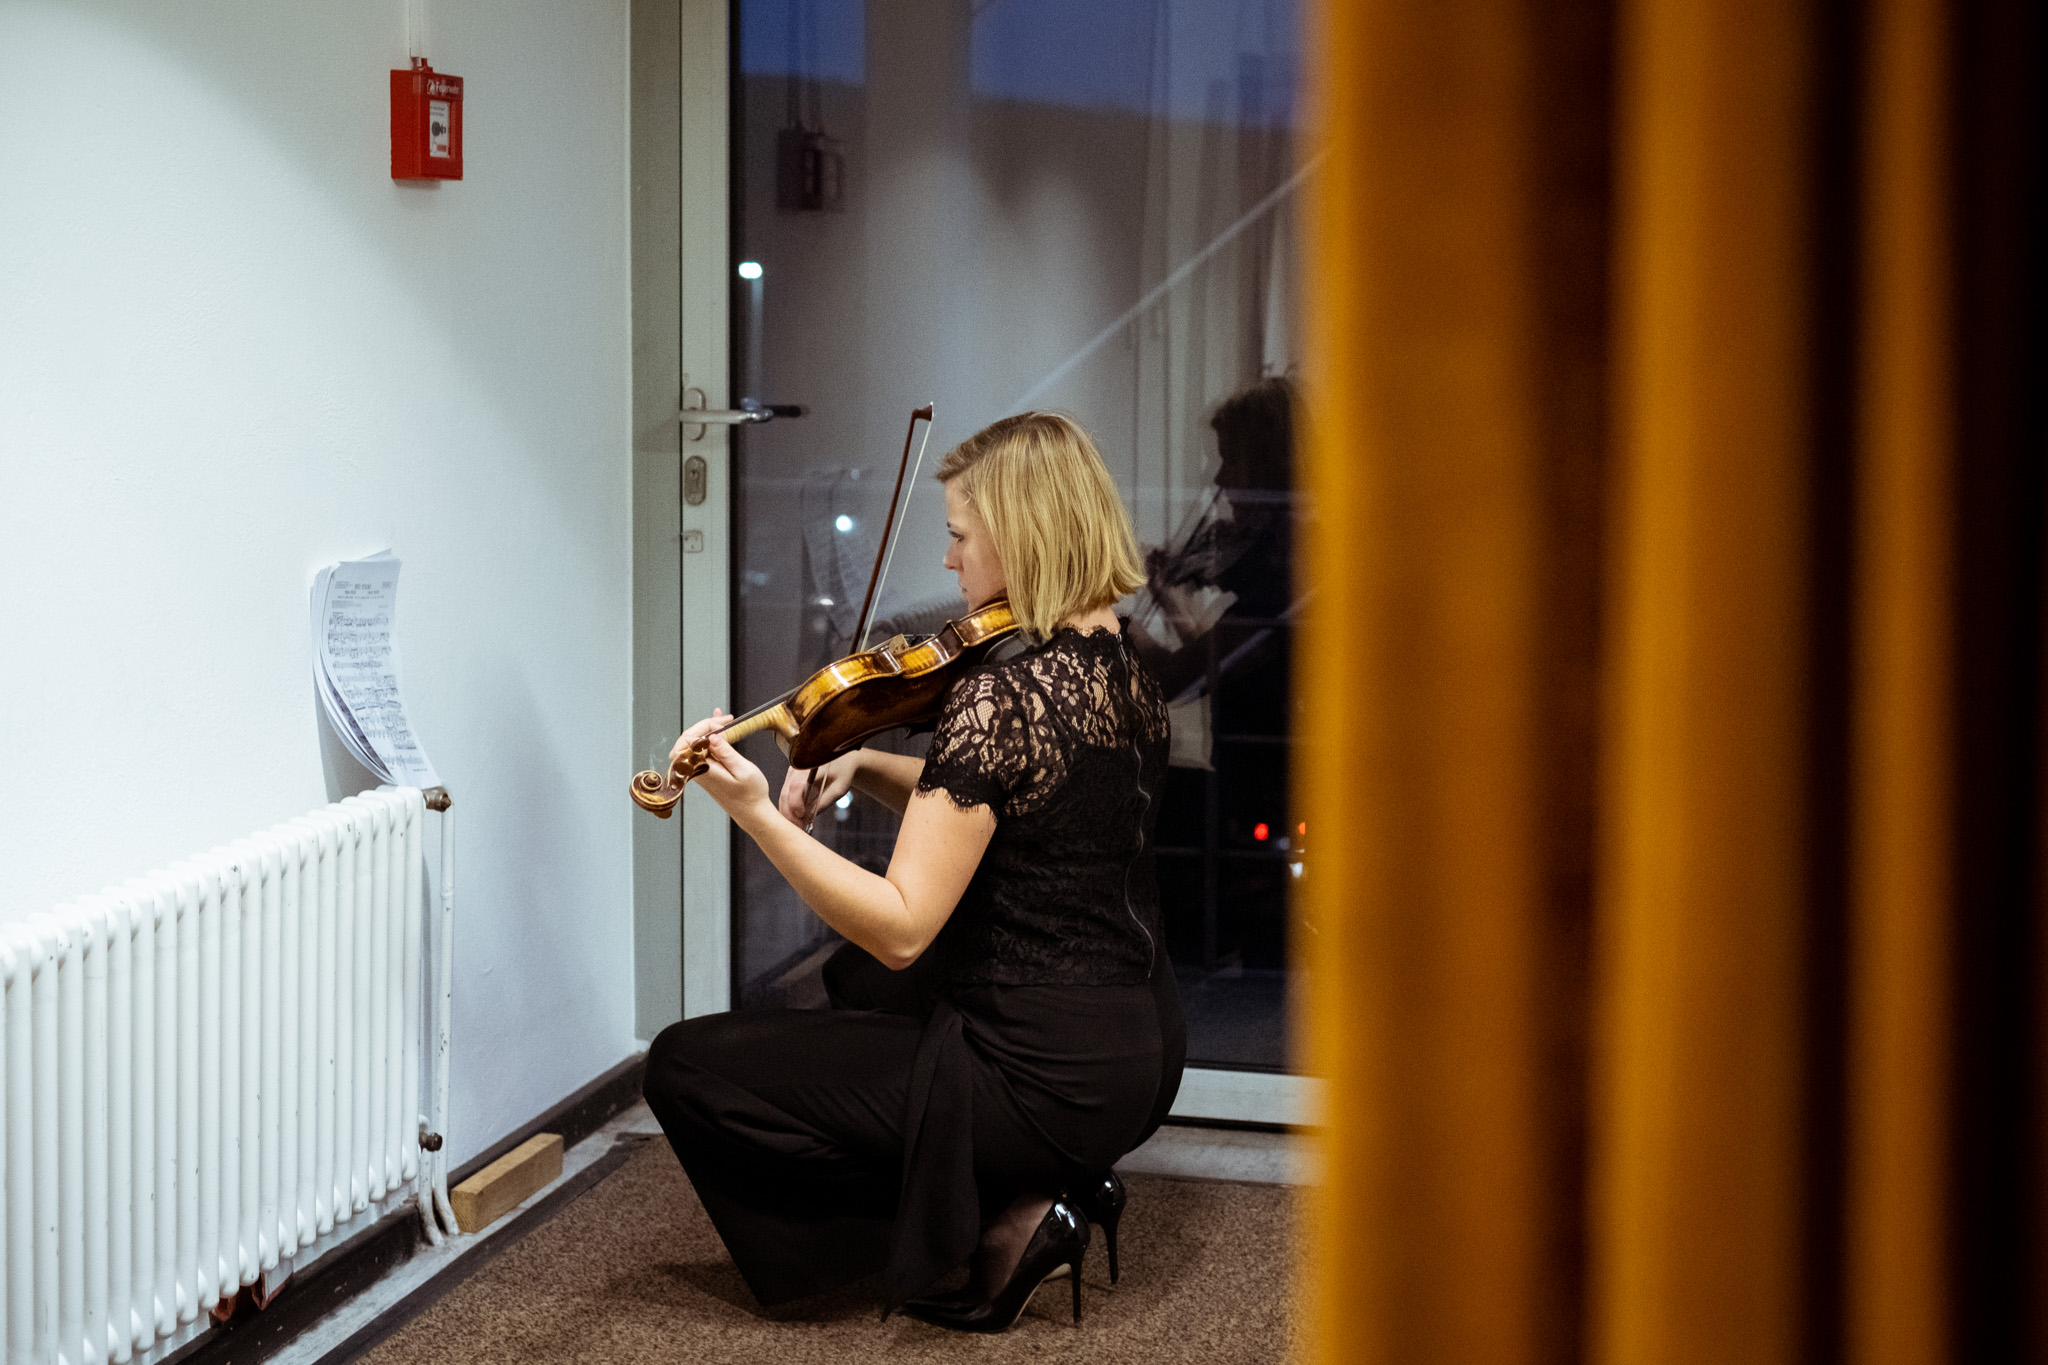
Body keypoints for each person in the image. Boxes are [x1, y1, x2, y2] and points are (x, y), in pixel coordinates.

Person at [642, 411, 1187, 1333]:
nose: (948, 560)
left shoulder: (998, 695)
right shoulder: (1126, 673)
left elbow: (901, 926)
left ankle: (989, 1214)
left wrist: (754, 813)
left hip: (1041, 1077)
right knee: (854, 985)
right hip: (1141, 1052)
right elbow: (1012, 803)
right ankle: (1039, 1176)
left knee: (686, 1065)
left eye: (961, 535)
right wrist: (865, 761)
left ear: (1023, 535)